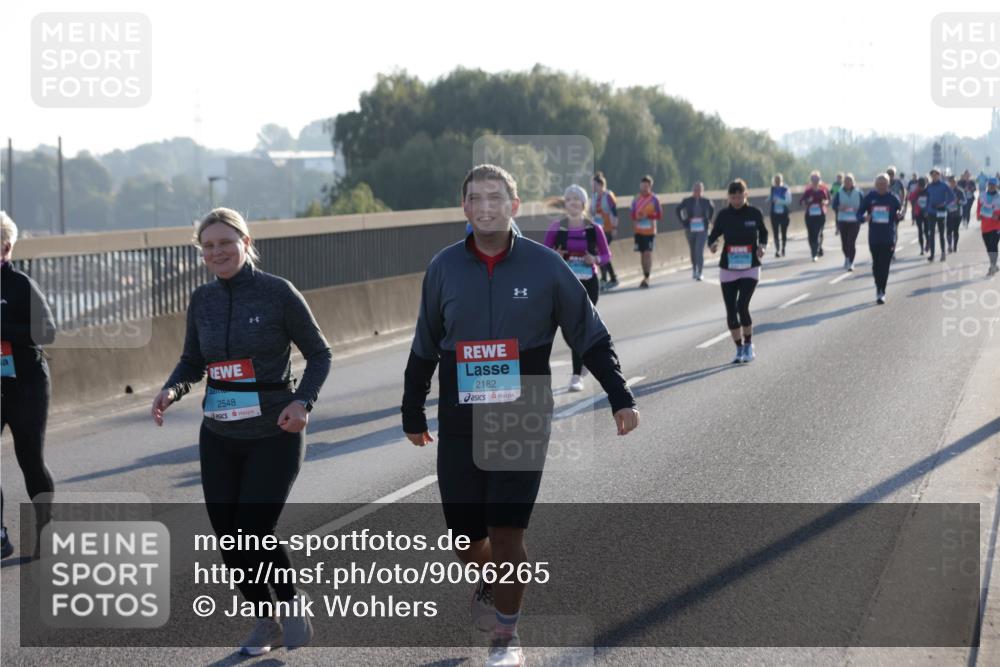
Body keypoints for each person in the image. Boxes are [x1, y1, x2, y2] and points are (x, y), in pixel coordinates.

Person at [401, 164, 639, 667]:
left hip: (521, 409)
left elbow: (589, 334)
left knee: (507, 531)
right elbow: (424, 344)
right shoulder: (443, 267)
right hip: (460, 415)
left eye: (496, 197)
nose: (485, 207)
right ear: (464, 208)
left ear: (514, 205)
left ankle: (506, 639)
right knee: (467, 537)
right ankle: (491, 584)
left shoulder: (545, 266)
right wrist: (411, 408)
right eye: (475, 199)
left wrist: (619, 395)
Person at [151, 207, 332, 656]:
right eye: (207, 246)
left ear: (246, 243)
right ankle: (264, 620)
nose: (217, 252)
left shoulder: (278, 293)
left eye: (225, 243)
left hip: (275, 429)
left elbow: (320, 353)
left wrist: (301, 402)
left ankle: (291, 605)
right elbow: (193, 360)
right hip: (219, 433)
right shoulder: (203, 300)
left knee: (253, 526)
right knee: (228, 534)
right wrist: (171, 390)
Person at [0, 212, 57, 560]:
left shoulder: (20, 284)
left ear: (5, 247)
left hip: (26, 385)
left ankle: (45, 530)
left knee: (30, 460)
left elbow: (47, 332)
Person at [544, 184, 612, 392]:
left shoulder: (594, 228)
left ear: (583, 204)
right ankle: (584, 360)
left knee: (581, 326)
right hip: (565, 283)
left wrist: (595, 259)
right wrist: (555, 254)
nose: (573, 202)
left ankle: (576, 375)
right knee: (567, 328)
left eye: (577, 199)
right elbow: (543, 253)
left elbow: (607, 256)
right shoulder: (557, 227)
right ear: (565, 204)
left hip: (589, 281)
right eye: (569, 199)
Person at [708, 179, 768, 363]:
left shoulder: (754, 213)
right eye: (732, 197)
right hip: (729, 267)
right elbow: (713, 235)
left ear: (745, 194)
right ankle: (739, 348)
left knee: (743, 306)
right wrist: (713, 244)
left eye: (739, 196)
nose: (736, 200)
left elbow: (763, 232)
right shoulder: (724, 215)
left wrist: (762, 246)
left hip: (750, 266)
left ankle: (749, 344)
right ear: (728, 197)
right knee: (731, 311)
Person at [857, 174, 905, 304]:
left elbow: (900, 212)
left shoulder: (893, 198)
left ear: (888, 185)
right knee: (876, 265)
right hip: (874, 237)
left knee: (885, 266)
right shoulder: (870, 197)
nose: (881, 187)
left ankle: (881, 290)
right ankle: (878, 285)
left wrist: (900, 215)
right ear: (875, 185)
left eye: (884, 184)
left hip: (889, 237)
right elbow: (858, 214)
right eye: (879, 185)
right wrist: (864, 218)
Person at [676, 181, 715, 279]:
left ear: (702, 190)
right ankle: (694, 269)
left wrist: (708, 219)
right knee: (693, 249)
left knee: (699, 249)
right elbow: (678, 209)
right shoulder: (687, 200)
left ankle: (700, 272)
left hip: (702, 228)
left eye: (699, 190)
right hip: (690, 228)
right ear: (692, 190)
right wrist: (683, 221)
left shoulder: (706, 201)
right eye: (695, 190)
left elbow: (712, 209)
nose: (697, 191)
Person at [630, 175, 661, 288]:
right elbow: (632, 214)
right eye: (642, 186)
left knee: (647, 253)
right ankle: (645, 275)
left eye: (646, 186)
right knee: (642, 255)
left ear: (650, 186)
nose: (644, 188)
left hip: (650, 231)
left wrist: (648, 215)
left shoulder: (654, 199)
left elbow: (659, 215)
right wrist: (637, 217)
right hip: (638, 231)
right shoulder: (636, 199)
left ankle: (647, 277)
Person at [591, 172, 620, 290]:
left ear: (600, 184)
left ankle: (611, 278)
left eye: (594, 185)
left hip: (607, 229)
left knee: (602, 252)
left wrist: (614, 228)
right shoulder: (594, 197)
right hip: (597, 229)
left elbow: (614, 212)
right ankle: (605, 278)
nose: (593, 188)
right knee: (599, 252)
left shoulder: (609, 196)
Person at [923, 167, 955, 262]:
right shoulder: (928, 186)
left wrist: (944, 204)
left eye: (936, 174)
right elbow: (926, 199)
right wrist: (926, 210)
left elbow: (952, 197)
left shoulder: (944, 185)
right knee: (931, 234)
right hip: (931, 212)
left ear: (939, 175)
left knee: (941, 233)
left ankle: (943, 253)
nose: (934, 176)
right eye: (932, 175)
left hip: (941, 211)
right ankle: (932, 255)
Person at [832, 173, 863, 271]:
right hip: (843, 219)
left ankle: (851, 262)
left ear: (853, 182)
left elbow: (865, 205)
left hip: (855, 220)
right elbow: (834, 205)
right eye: (846, 181)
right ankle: (846, 257)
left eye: (850, 181)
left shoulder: (858, 192)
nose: (847, 183)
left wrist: (860, 210)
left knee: (851, 241)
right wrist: (839, 207)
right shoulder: (839, 193)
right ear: (843, 182)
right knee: (844, 242)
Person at [799, 171, 830, 261]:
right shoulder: (808, 191)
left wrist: (824, 202)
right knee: (811, 234)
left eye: (817, 179)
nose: (815, 181)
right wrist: (807, 201)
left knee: (817, 233)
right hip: (810, 215)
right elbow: (801, 202)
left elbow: (827, 200)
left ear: (819, 180)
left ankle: (814, 253)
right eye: (813, 179)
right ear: (811, 180)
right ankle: (814, 249)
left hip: (820, 215)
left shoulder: (822, 191)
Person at [977, 177, 1000, 276]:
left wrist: (998, 217)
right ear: (987, 185)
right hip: (985, 226)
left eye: (993, 185)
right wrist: (978, 215)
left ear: (996, 186)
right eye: (990, 184)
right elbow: (978, 207)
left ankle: (993, 266)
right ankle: (994, 265)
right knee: (988, 247)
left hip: (996, 226)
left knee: (993, 245)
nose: (991, 186)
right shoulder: (982, 196)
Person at [766, 174, 791, 258]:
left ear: (781, 180)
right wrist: (767, 200)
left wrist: (779, 201)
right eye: (776, 180)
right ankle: (777, 250)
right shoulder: (772, 189)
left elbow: (788, 201)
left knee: (784, 232)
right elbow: (770, 198)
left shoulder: (785, 189)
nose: (777, 182)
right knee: (775, 232)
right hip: (774, 214)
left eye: (778, 180)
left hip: (784, 214)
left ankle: (783, 248)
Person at [903, 176, 929, 255]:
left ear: (925, 185)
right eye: (920, 186)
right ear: (918, 185)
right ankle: (921, 249)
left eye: (923, 186)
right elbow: (910, 198)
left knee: (926, 231)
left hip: (927, 214)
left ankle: (928, 243)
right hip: (918, 213)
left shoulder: (928, 191)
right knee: (920, 231)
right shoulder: (916, 191)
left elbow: (931, 201)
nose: (921, 188)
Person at [946, 175, 965, 253]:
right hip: (948, 213)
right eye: (951, 182)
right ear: (949, 183)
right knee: (949, 231)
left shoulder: (960, 191)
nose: (953, 183)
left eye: (954, 182)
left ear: (956, 182)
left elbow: (965, 201)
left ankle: (955, 247)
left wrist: (958, 201)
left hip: (958, 214)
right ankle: (949, 245)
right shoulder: (946, 191)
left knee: (956, 230)